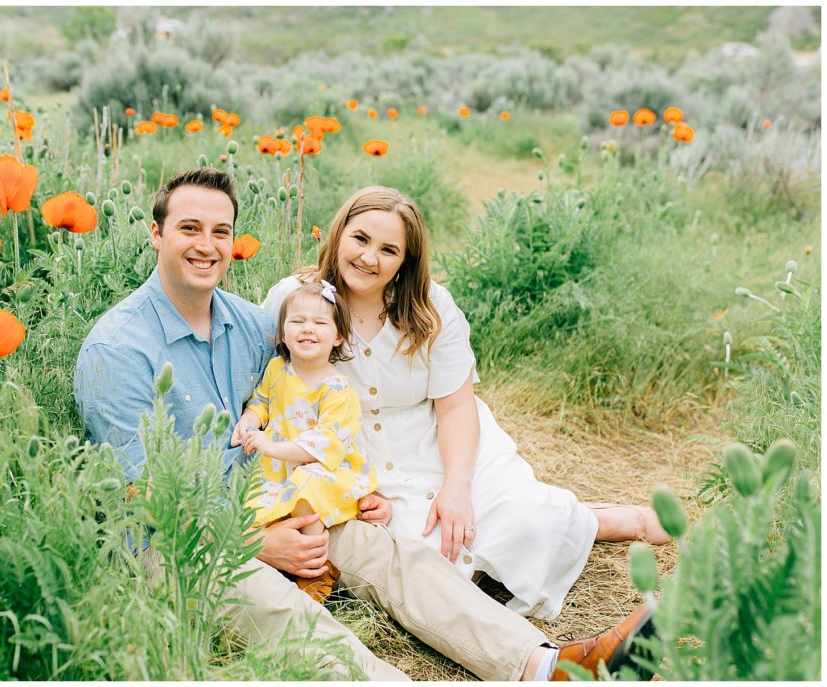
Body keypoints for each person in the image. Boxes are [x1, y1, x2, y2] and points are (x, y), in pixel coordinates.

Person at [75, 168, 653, 681]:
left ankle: (545, 666)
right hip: (181, 539)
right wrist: (257, 541)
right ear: (156, 233)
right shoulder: (119, 350)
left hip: (274, 499)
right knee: (283, 608)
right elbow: (144, 494)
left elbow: (310, 407)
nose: (207, 245)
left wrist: (352, 487)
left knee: (393, 555)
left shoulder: (251, 325)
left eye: (220, 232)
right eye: (189, 229)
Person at [261, 185, 671, 622]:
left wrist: (456, 487)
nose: (368, 258)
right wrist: (351, 483)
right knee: (429, 565)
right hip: (349, 454)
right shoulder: (293, 298)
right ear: (339, 233)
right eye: (360, 239)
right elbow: (271, 392)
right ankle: (570, 520)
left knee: (524, 520)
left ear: (405, 262)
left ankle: (592, 520)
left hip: (437, 439)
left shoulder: (430, 305)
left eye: (388, 250)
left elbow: (456, 407)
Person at [231, 281, 377, 602]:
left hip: (327, 469)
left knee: (307, 483)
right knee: (253, 500)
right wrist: (249, 421)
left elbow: (325, 445)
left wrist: (270, 447)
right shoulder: (276, 370)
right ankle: (279, 561)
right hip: (280, 466)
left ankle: (314, 566)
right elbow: (261, 402)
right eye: (297, 321)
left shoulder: (337, 389)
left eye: (320, 323)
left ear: (338, 336)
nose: (307, 329)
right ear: (283, 332)